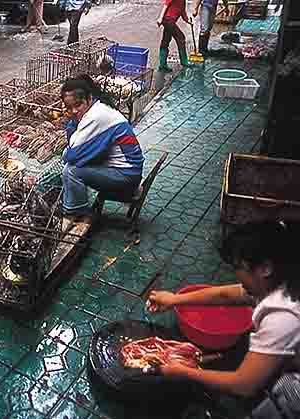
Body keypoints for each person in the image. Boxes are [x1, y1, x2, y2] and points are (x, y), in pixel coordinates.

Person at [147, 221, 300, 417]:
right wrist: (174, 299)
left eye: (238, 267)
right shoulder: (283, 274)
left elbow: (244, 385)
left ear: (265, 268)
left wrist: (184, 372)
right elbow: (228, 295)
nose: (235, 274)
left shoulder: (282, 317)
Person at [60, 75, 144, 220]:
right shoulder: (100, 108)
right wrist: (74, 121)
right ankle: (74, 206)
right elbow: (77, 144)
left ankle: (76, 213)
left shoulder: (96, 116)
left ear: (89, 98)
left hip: (127, 175)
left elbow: (72, 155)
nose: (74, 111)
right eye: (69, 107)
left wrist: (68, 152)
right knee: (77, 164)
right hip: (130, 171)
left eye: (78, 105)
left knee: (71, 171)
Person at [157, 0, 192, 72]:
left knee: (166, 41)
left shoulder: (183, 2)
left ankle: (162, 65)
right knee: (181, 38)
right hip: (168, 20)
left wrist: (188, 21)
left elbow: (183, 13)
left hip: (169, 21)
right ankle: (184, 62)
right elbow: (166, 4)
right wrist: (160, 18)